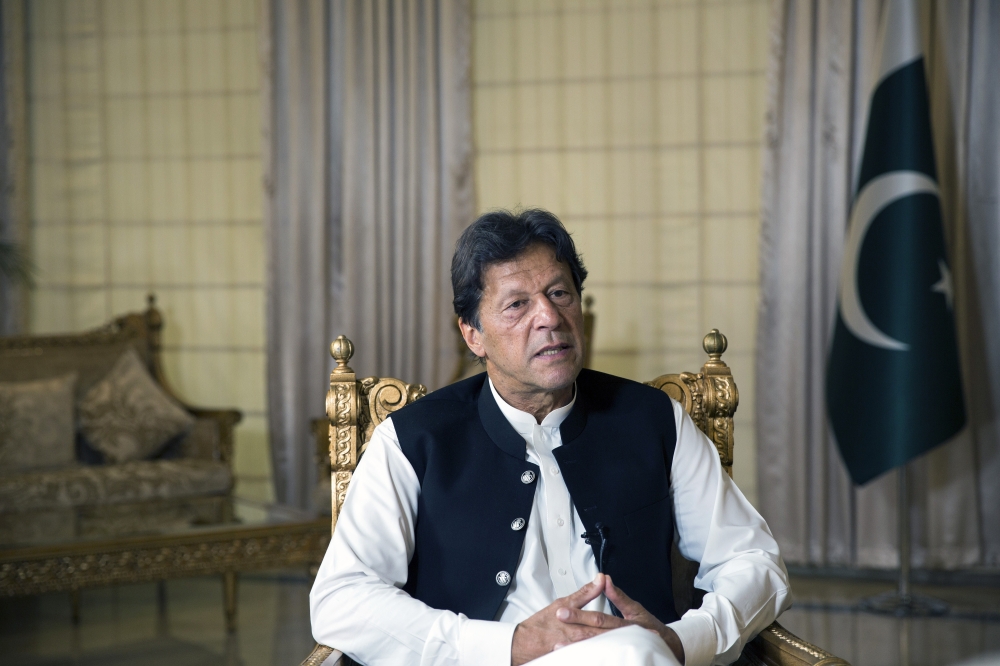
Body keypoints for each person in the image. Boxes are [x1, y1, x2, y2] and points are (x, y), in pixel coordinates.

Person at [310, 209, 791, 666]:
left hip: (639, 659)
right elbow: (341, 598)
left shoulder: (654, 421)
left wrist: (683, 640)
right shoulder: (414, 440)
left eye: (560, 294)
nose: (549, 317)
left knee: (633, 654)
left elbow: (754, 560)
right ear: (473, 334)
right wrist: (506, 646)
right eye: (517, 304)